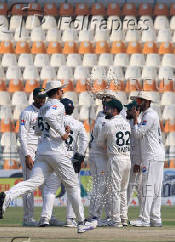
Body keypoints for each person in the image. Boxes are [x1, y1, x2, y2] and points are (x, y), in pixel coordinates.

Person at [0, 81, 94, 233]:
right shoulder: (57, 105)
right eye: (61, 89)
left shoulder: (43, 107)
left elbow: (38, 132)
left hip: (42, 150)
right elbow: (50, 117)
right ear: (56, 92)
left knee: (33, 182)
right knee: (73, 185)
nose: (63, 91)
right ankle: (81, 222)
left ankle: (8, 196)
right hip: (56, 151)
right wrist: (62, 133)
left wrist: (60, 129)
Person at [39, 98, 88, 228]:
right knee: (72, 190)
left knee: (50, 189)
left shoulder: (56, 121)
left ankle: (45, 218)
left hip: (55, 156)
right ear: (72, 110)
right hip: (70, 160)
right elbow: (84, 140)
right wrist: (81, 156)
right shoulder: (78, 124)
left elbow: (43, 135)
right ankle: (70, 219)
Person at [128, 91, 165, 227]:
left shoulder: (149, 115)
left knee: (148, 187)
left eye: (140, 101)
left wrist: (135, 119)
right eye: (137, 101)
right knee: (155, 188)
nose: (138, 104)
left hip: (152, 156)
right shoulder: (150, 114)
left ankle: (144, 219)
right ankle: (156, 218)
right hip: (156, 155)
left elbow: (137, 134)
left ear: (147, 102)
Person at [95, 99, 132, 227]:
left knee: (115, 190)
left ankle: (116, 220)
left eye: (109, 108)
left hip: (115, 158)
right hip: (127, 158)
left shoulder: (109, 124)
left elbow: (99, 143)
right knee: (123, 190)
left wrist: (108, 144)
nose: (107, 110)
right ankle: (124, 218)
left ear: (114, 110)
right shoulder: (126, 123)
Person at [18, 87, 46, 226]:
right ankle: (28, 219)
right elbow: (22, 135)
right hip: (29, 148)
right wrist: (27, 154)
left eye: (44, 97)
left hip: (42, 149)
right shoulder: (27, 112)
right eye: (40, 97)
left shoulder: (46, 110)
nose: (42, 100)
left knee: (44, 183)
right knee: (29, 184)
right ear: (34, 97)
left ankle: (47, 216)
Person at [87, 91, 115, 226]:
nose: (104, 102)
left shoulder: (105, 116)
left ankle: (108, 215)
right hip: (100, 155)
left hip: (102, 155)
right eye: (104, 100)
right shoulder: (102, 117)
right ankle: (94, 215)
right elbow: (100, 142)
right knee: (101, 185)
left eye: (107, 99)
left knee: (106, 186)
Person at [124, 101, 142, 208]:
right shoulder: (129, 122)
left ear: (135, 111)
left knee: (137, 189)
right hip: (130, 160)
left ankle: (145, 216)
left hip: (136, 161)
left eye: (129, 109)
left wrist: (138, 163)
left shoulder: (138, 123)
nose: (127, 111)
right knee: (131, 188)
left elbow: (140, 145)